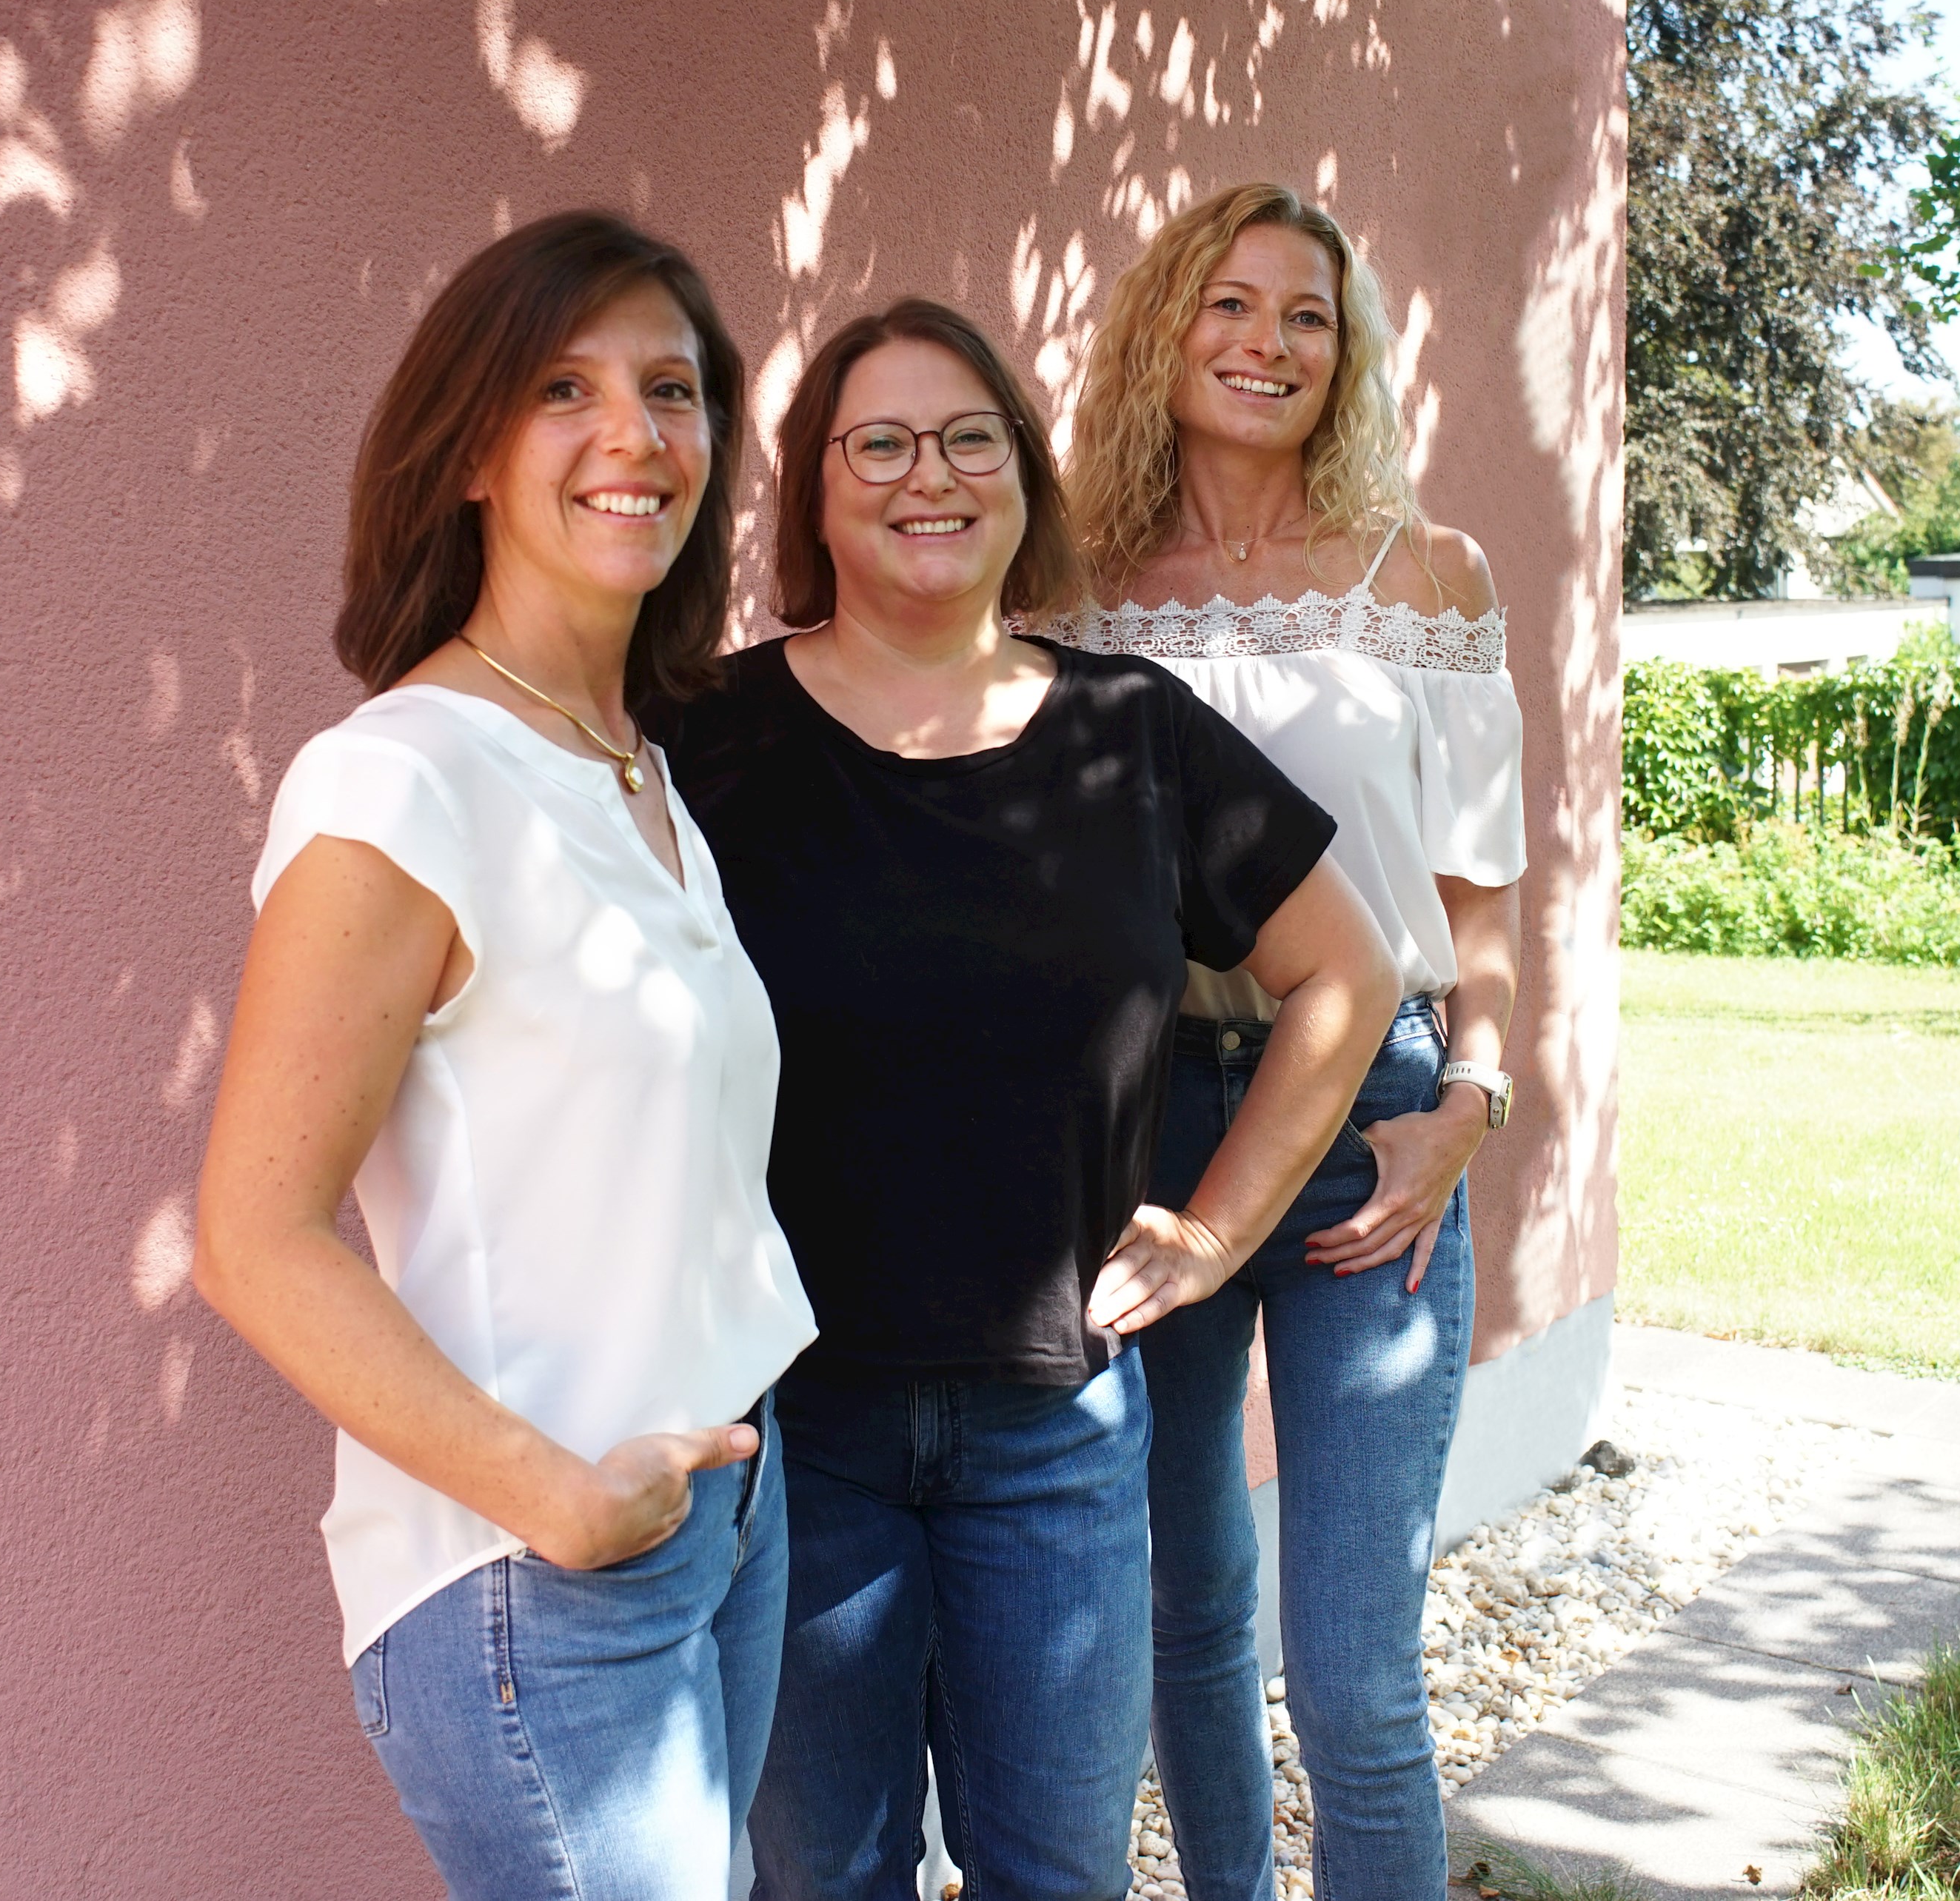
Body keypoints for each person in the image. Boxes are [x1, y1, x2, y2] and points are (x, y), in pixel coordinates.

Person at [649, 297, 1399, 1900]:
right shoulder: (698, 741)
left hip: (1053, 1426)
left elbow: (1349, 973)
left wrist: (1212, 1232)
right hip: (793, 1427)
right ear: (816, 489)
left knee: (1054, 1877)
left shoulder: (1128, 735)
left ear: (1021, 481)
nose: (931, 474)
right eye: (881, 442)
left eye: (971, 436)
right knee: (823, 1878)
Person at [191, 211, 819, 1898]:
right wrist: (554, 1496)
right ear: (470, 446)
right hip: (535, 1566)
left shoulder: (635, 769)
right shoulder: (400, 781)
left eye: (671, 391)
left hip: (721, 1510)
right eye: (564, 388)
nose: (635, 435)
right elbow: (251, 1235)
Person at [1036, 184, 1525, 1899]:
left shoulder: (1426, 578)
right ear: (1164, 335)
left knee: (1355, 1675)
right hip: (1152, 1127)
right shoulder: (1070, 592)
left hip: (1376, 1125)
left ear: (1346, 351)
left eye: (1304, 315)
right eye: (1226, 307)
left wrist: (1468, 1103)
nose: (1265, 344)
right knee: (1185, 1618)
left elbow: (1476, 911)